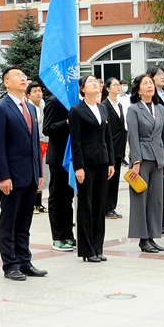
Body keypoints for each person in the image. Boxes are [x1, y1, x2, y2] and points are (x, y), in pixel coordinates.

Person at [0, 67, 47, 281]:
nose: (23, 79)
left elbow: (34, 143)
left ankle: (24, 261)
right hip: (11, 176)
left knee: (24, 222)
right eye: (17, 76)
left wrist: (39, 172)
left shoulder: (30, 107)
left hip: (30, 174)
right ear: (6, 83)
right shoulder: (0, 108)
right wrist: (3, 176)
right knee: (9, 222)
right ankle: (10, 264)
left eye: (23, 76)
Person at [69, 75, 115, 263]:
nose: (95, 83)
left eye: (96, 81)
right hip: (86, 164)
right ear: (82, 89)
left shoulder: (103, 108)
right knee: (85, 206)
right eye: (90, 82)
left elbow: (108, 137)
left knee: (99, 205)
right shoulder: (76, 111)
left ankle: (98, 247)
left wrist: (111, 162)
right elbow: (76, 141)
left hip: (102, 162)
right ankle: (87, 250)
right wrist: (78, 167)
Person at [126, 73, 164, 253]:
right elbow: (133, 137)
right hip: (142, 158)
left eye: (151, 83)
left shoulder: (160, 108)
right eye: (145, 83)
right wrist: (136, 162)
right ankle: (143, 239)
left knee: (155, 200)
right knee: (140, 199)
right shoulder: (134, 109)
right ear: (138, 89)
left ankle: (152, 236)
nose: (150, 86)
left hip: (158, 158)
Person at [42, 95, 75, 252]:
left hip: (72, 157)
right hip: (58, 157)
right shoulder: (54, 101)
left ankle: (68, 235)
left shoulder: (75, 101)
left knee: (68, 198)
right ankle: (57, 237)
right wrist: (66, 123)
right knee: (57, 197)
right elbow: (47, 128)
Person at [148, 65, 164, 233]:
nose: (162, 76)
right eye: (158, 74)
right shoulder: (150, 98)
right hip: (154, 148)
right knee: (157, 189)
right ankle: (157, 222)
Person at [101, 78, 127, 220]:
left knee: (115, 179)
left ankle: (112, 206)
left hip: (119, 147)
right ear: (107, 89)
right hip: (110, 146)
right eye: (115, 85)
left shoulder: (120, 105)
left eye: (119, 85)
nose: (118, 87)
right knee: (108, 179)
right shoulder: (104, 106)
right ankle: (105, 207)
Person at [27, 82, 47, 214]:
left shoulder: (43, 106)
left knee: (42, 173)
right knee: (34, 172)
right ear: (28, 95)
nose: (38, 93)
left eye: (39, 91)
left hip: (44, 142)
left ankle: (39, 203)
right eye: (34, 91)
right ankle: (32, 203)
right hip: (33, 143)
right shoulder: (27, 107)